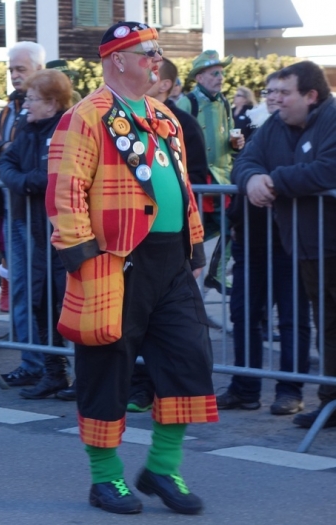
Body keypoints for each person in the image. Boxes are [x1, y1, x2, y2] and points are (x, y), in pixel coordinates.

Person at [47, 22, 217, 515]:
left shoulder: (164, 114)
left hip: (169, 258)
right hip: (113, 259)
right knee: (107, 368)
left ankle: (163, 467)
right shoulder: (85, 116)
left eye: (158, 52)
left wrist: (195, 246)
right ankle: (105, 480)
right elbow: (65, 189)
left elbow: (182, 187)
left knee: (188, 361)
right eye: (148, 52)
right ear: (117, 58)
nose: (157, 60)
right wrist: (83, 257)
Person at [233, 61, 336, 429]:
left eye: (283, 93)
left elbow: (329, 168)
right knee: (328, 326)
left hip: (330, 242)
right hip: (307, 245)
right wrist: (252, 179)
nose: (274, 100)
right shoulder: (275, 124)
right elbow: (244, 160)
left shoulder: (333, 117)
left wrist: (272, 181)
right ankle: (331, 400)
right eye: (270, 92)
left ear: (310, 96)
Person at [126, 58, 209, 413]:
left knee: (188, 348)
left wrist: (196, 249)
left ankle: (163, 463)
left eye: (157, 70)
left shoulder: (177, 122)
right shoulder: (102, 117)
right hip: (128, 250)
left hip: (173, 249)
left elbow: (189, 183)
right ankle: (139, 388)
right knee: (127, 337)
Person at [0, 69, 74, 400]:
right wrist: (24, 182)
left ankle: (85, 377)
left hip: (66, 233)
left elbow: (56, 175)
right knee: (41, 303)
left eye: (32, 98)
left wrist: (29, 181)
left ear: (52, 103)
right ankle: (53, 372)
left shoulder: (68, 129)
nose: (25, 104)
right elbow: (5, 163)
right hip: (37, 232)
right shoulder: (27, 128)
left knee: (71, 306)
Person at [0, 41, 45, 381]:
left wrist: (3, 150)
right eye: (11, 69)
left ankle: (49, 364)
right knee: (20, 289)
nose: (14, 75)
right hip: (13, 211)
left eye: (21, 69)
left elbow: (23, 160)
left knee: (42, 291)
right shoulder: (9, 107)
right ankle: (32, 363)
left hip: (40, 214)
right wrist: (4, 146)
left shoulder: (50, 110)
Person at [177, 50, 244, 295]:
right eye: (215, 73)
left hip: (222, 178)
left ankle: (213, 273)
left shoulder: (225, 102)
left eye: (222, 73)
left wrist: (236, 143)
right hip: (199, 179)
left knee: (231, 222)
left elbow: (229, 136)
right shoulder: (188, 102)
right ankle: (182, 264)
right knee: (201, 229)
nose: (220, 77)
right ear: (200, 78)